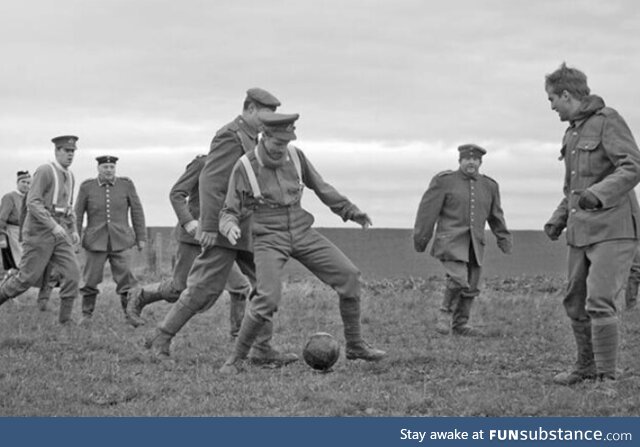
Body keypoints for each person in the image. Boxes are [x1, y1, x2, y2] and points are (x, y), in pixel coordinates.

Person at [218, 111, 386, 374]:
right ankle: (235, 360)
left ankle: (355, 346)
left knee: (350, 276)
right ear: (264, 137)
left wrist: (350, 211)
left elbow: (322, 187)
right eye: (277, 144)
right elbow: (229, 209)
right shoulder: (245, 166)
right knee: (268, 297)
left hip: (302, 230)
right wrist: (228, 226)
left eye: (286, 144)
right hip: (268, 237)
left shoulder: (296, 156)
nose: (281, 150)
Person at [145, 88, 294, 365]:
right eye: (264, 115)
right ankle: (161, 339)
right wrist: (211, 227)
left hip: (247, 229)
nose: (268, 122)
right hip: (225, 230)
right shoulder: (230, 136)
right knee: (203, 289)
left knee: (266, 284)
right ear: (249, 109)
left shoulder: (254, 138)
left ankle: (262, 349)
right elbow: (211, 182)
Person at [543, 63, 640, 385]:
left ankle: (607, 378)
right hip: (581, 229)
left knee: (599, 300)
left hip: (613, 228)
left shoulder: (607, 121)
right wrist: (559, 218)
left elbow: (632, 166)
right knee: (575, 299)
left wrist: (598, 195)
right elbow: (574, 188)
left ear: (566, 94)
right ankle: (584, 367)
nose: (552, 105)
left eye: (552, 99)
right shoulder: (572, 132)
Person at [125, 154, 251, 338]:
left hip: (220, 241)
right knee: (179, 288)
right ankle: (141, 294)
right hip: (193, 238)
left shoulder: (242, 167)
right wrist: (188, 222)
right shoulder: (203, 163)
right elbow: (177, 194)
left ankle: (238, 337)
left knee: (239, 287)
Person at [413, 144, 512, 336]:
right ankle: (444, 313)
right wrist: (421, 238)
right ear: (460, 161)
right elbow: (427, 211)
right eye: (467, 159)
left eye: (475, 160)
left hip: (475, 243)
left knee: (472, 286)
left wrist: (503, 236)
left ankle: (460, 324)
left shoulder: (490, 186)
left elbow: (496, 215)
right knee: (459, 280)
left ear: (480, 162)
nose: (471, 162)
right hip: (450, 241)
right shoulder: (444, 181)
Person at [0, 135, 81, 324]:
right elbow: (33, 202)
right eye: (66, 151)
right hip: (39, 231)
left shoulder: (70, 176)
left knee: (73, 274)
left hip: (59, 231)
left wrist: (74, 229)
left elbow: (68, 208)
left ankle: (65, 321)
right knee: (26, 279)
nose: (70, 155)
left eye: (72, 152)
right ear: (57, 151)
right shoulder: (45, 171)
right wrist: (52, 225)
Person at [75, 155, 146, 324]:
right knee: (90, 280)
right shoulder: (87, 187)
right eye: (105, 167)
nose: (108, 170)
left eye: (111, 167)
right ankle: (86, 315)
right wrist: (75, 238)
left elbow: (137, 211)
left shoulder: (126, 185)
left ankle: (130, 315)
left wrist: (140, 237)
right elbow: (77, 214)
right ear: (98, 168)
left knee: (126, 280)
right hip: (95, 242)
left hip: (121, 241)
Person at [0, 171, 58, 311]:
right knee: (19, 266)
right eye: (23, 182)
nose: (26, 185)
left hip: (29, 233)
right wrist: (2, 236)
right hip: (12, 232)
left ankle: (40, 300)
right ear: (17, 183)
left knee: (24, 267)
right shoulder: (10, 197)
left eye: (29, 183)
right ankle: (6, 293)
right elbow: (2, 218)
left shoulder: (32, 198)